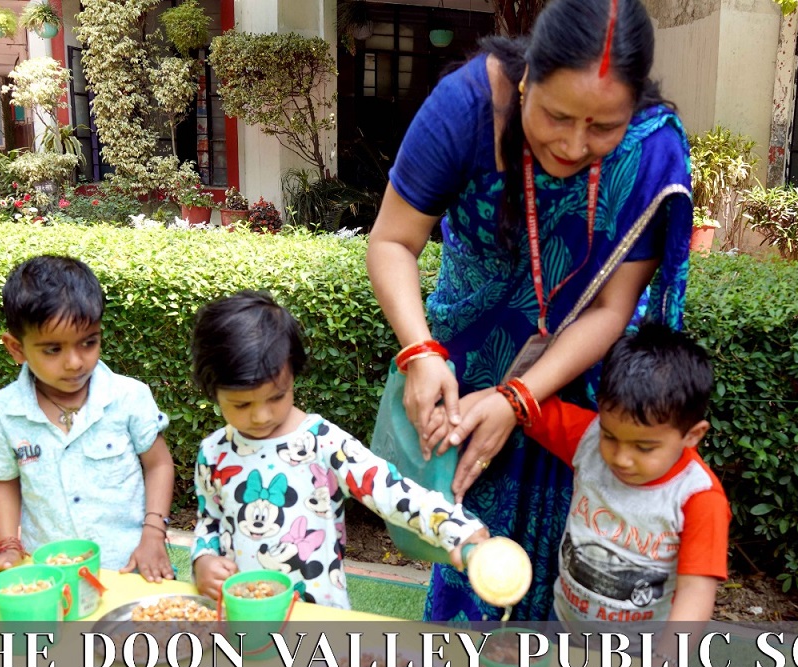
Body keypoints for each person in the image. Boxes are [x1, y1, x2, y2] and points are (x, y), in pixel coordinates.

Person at [366, 0, 693, 620]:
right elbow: (392, 242)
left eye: (604, 127)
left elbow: (612, 306)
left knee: (586, 567)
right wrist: (420, 351)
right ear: (526, 80)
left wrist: (520, 398)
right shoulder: (466, 108)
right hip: (471, 375)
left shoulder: (650, 149)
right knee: (473, 556)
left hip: (587, 386)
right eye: (556, 115)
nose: (573, 144)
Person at [188, 290, 490, 609]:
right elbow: (210, 520)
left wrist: (453, 527)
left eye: (276, 397)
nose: (261, 416)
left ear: (293, 373)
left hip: (317, 618)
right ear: (213, 391)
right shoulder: (214, 453)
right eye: (241, 404)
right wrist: (203, 559)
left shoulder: (323, 442)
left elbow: (390, 490)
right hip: (242, 614)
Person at [0, 255, 176, 591]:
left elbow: (158, 464)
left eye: (88, 342)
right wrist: (8, 546)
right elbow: (4, 480)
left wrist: (153, 533)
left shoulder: (128, 397)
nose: (75, 362)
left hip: (129, 566)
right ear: (16, 348)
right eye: (52, 350)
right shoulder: (5, 412)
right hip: (49, 575)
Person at [524, 324, 727, 630]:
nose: (621, 458)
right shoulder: (588, 438)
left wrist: (667, 654)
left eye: (644, 447)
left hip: (638, 649)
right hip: (563, 624)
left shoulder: (698, 497)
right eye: (610, 436)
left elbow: (695, 592)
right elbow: (526, 404)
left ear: (692, 435)